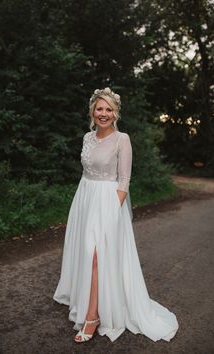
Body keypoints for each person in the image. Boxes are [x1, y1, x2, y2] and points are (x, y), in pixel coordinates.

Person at [53, 87, 179, 343]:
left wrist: (112, 211)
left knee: (96, 255)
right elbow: (86, 172)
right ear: (92, 111)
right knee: (85, 253)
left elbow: (124, 180)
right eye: (99, 108)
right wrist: (82, 205)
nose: (104, 113)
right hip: (85, 199)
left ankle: (93, 316)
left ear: (115, 113)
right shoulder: (88, 138)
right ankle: (87, 301)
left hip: (108, 203)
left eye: (109, 109)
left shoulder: (123, 139)